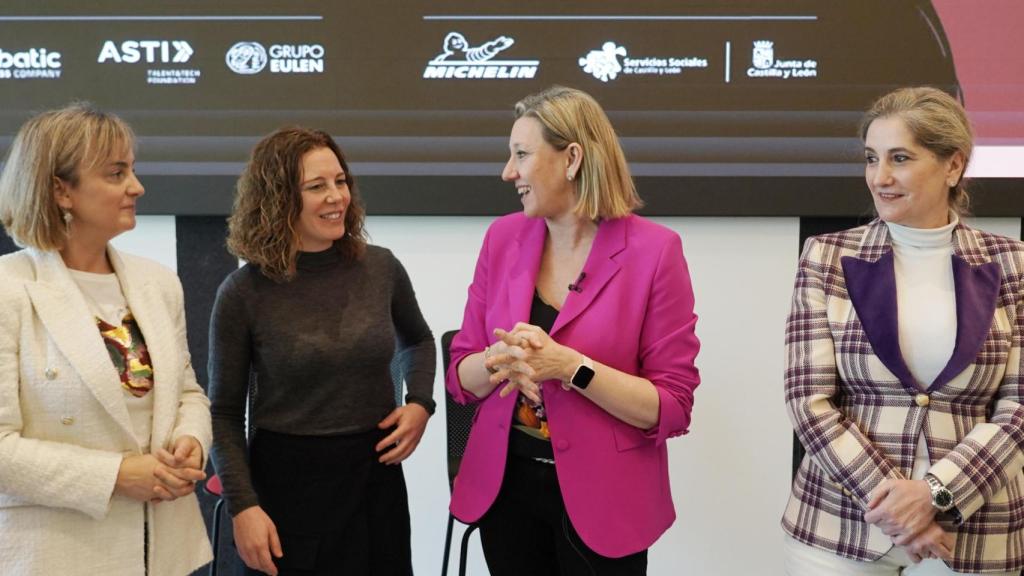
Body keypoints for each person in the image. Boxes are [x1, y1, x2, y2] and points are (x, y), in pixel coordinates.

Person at [446, 85, 701, 575]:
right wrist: (502, 360)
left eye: (521, 154)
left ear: (572, 158)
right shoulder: (503, 238)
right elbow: (460, 376)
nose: (508, 172)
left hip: (606, 501)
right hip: (506, 490)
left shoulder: (655, 252)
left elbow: (672, 407)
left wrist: (571, 368)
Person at [782, 86, 1024, 575]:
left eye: (900, 158)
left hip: (974, 534)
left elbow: (1019, 406)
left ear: (952, 166)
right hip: (842, 527)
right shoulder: (825, 257)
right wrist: (897, 507)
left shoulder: (1012, 263)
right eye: (872, 159)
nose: (880, 177)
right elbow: (808, 399)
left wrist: (938, 493)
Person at [209, 126, 435, 576]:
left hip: (375, 477)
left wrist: (420, 404)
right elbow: (225, 413)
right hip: (286, 485)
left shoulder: (382, 268)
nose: (336, 197)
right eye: (316, 187)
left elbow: (419, 341)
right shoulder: (242, 292)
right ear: (278, 200)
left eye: (340, 181)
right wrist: (244, 507)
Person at [0, 103, 213, 575]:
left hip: (162, 553)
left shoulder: (158, 283)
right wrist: (114, 476)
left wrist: (190, 440)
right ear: (61, 189)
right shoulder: (8, 289)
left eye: (132, 171)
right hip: (57, 555)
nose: (137, 187)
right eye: (117, 174)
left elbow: (189, 394)